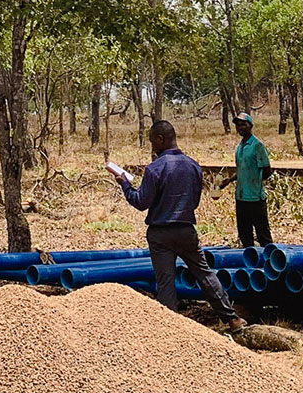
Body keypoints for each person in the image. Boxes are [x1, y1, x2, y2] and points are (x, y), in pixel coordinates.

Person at [114, 120, 245, 331]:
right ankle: (232, 319)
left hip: (160, 233)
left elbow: (140, 202)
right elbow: (194, 202)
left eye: (152, 142)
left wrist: (125, 185)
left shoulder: (155, 169)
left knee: (166, 281)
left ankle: (171, 329)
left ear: (160, 139)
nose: (152, 147)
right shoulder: (193, 166)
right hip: (186, 230)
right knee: (204, 273)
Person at [218, 112, 274, 248]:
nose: (240, 127)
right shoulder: (240, 147)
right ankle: (251, 262)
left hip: (255, 197)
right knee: (244, 233)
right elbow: (242, 170)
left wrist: (255, 182)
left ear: (250, 125)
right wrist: (229, 181)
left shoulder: (257, 146)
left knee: (262, 234)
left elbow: (267, 170)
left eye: (243, 124)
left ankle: (271, 261)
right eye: (238, 125)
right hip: (241, 197)